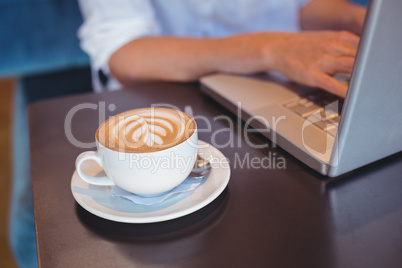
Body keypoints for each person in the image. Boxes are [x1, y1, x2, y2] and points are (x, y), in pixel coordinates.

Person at [78, 0, 366, 97]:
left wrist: (358, 18)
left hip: (273, 85)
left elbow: (296, 7)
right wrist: (271, 48)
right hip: (166, 98)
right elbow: (124, 54)